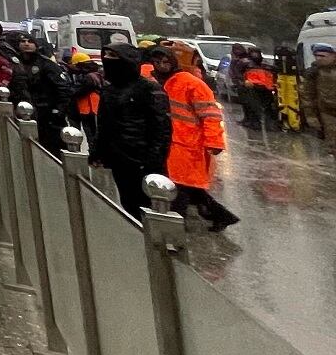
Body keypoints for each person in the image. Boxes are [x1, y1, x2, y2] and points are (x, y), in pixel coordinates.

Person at [148, 43, 240, 233]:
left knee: (180, 189)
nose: (161, 65)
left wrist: (214, 142)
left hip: (188, 144)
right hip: (171, 143)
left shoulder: (190, 83)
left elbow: (211, 115)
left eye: (166, 61)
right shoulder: (158, 81)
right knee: (189, 188)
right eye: (157, 61)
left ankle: (174, 230)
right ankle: (221, 216)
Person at [90, 44, 170, 219]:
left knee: (148, 207)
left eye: (114, 56)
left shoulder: (149, 89)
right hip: (119, 158)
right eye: (107, 55)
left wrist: (154, 161)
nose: (109, 60)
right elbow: (104, 123)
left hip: (142, 159)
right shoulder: (109, 90)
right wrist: (97, 151)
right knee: (128, 203)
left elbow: (161, 128)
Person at [13, 35, 73, 154]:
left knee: (51, 149)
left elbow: (63, 88)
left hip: (47, 115)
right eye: (23, 41)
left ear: (36, 45)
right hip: (25, 112)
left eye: (30, 41)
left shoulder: (46, 64)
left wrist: (58, 111)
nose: (26, 44)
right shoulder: (15, 63)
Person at [67, 49, 104, 149]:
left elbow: (79, 90)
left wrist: (71, 90)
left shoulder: (88, 77)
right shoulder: (96, 73)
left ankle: (94, 155)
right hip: (92, 107)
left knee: (91, 133)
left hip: (88, 108)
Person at [306, 44, 336, 161]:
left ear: (333, 55)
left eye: (323, 56)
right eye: (316, 56)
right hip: (327, 112)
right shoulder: (313, 73)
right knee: (333, 144)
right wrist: (311, 117)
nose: (319, 58)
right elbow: (307, 96)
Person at [240, 52, 278, 130]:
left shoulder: (249, 69)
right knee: (268, 108)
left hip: (256, 90)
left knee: (253, 106)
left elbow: (247, 81)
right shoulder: (268, 69)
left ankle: (255, 123)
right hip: (267, 91)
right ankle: (269, 124)